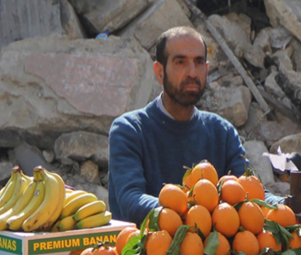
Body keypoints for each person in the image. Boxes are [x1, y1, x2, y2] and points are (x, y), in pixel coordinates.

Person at [108, 26, 281, 225]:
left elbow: (250, 192)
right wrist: (192, 213)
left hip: (209, 254)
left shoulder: (221, 132)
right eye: (180, 62)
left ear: (206, 70)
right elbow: (131, 201)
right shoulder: (129, 130)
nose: (192, 72)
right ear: (159, 72)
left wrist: (285, 206)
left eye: (198, 63)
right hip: (147, 251)